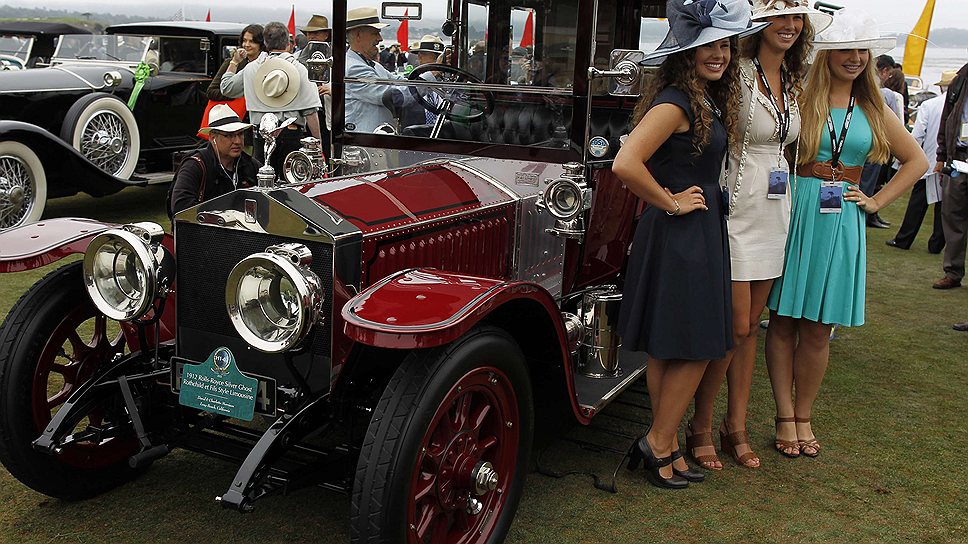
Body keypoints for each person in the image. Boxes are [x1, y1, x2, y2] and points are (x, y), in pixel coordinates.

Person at [612, 0, 764, 489]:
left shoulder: (700, 99)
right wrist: (671, 203)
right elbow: (625, 163)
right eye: (708, 46)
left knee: (670, 345)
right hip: (682, 231)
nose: (719, 54)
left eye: (725, 45)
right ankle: (658, 443)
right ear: (685, 53)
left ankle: (667, 444)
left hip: (691, 231)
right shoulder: (676, 102)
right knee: (695, 344)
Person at [765, 7, 927, 458]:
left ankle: (803, 416)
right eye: (845, 49)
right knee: (782, 321)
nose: (854, 57)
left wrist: (875, 201)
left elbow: (917, 161)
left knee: (819, 328)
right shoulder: (798, 98)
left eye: (862, 51)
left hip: (841, 223)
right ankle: (782, 415)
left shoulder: (874, 108)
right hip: (796, 214)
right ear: (825, 54)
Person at [687, 0, 831, 470]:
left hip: (775, 208)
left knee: (751, 328)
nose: (789, 26)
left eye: (796, 18)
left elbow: (790, 145)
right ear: (760, 21)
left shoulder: (792, 79)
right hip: (734, 205)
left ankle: (737, 424)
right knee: (734, 325)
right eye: (780, 15)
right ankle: (700, 426)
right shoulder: (737, 71)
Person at [220, 21, 322, 177]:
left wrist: (234, 62)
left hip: (261, 135)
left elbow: (227, 88)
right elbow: (311, 113)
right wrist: (318, 147)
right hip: (291, 135)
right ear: (288, 43)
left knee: (262, 182)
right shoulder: (300, 69)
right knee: (292, 185)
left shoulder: (252, 68)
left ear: (265, 43)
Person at [886, 70, 954, 253]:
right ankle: (936, 244)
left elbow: (917, 134)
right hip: (949, 163)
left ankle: (904, 239)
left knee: (918, 203)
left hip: (928, 161)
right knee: (943, 205)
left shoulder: (930, 105)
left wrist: (905, 158)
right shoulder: (956, 105)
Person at [169, 104, 260, 216]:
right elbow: (180, 207)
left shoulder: (250, 164)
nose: (237, 141)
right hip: (203, 232)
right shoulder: (195, 166)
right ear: (213, 138)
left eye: (240, 134)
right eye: (229, 135)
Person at [344, 7, 415, 133]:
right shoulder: (354, 68)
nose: (380, 38)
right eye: (375, 33)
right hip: (364, 142)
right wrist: (430, 77)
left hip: (377, 140)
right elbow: (393, 96)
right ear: (358, 35)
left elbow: (400, 81)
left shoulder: (373, 65)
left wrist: (427, 74)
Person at [932, 61, 968, 290]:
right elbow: (947, 117)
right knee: (952, 216)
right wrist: (942, 155)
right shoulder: (961, 78)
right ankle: (953, 271)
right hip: (959, 156)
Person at [208, 25, 264, 101]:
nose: (247, 45)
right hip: (234, 111)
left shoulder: (266, 64)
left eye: (252, 41)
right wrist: (237, 94)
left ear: (261, 44)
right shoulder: (231, 62)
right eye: (244, 40)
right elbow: (211, 92)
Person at [401, 35, 446, 128]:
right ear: (420, 57)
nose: (438, 62)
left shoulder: (448, 84)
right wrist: (433, 72)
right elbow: (403, 100)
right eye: (435, 57)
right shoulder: (413, 83)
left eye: (439, 58)